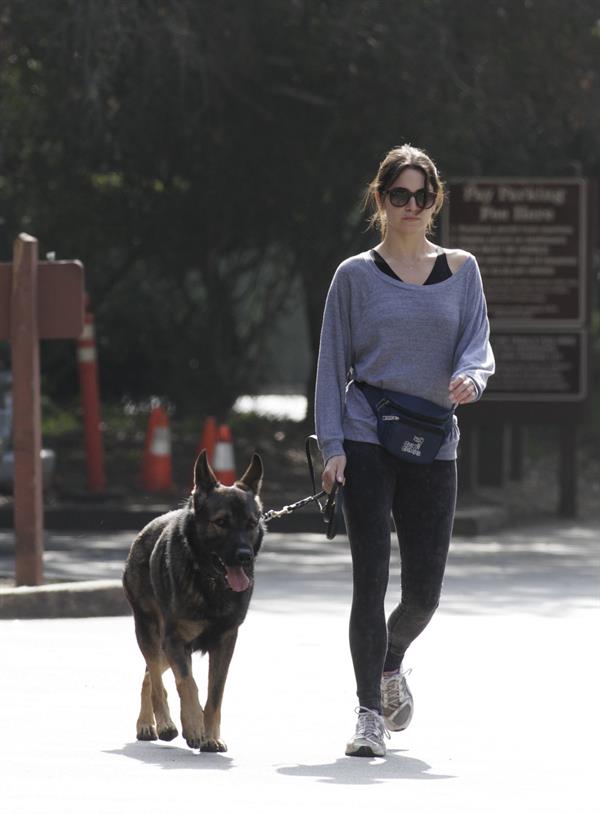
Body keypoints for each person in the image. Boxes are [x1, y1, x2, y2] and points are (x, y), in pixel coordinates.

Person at [314, 144, 495, 758]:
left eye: (423, 195)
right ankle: (368, 713)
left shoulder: (462, 269)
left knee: (424, 592)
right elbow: (330, 364)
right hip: (368, 432)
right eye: (400, 195)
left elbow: (478, 344)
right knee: (370, 581)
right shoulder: (354, 276)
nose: (412, 205)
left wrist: (473, 376)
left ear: (435, 201)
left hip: (435, 439)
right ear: (381, 201)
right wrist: (333, 445)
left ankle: (391, 659)